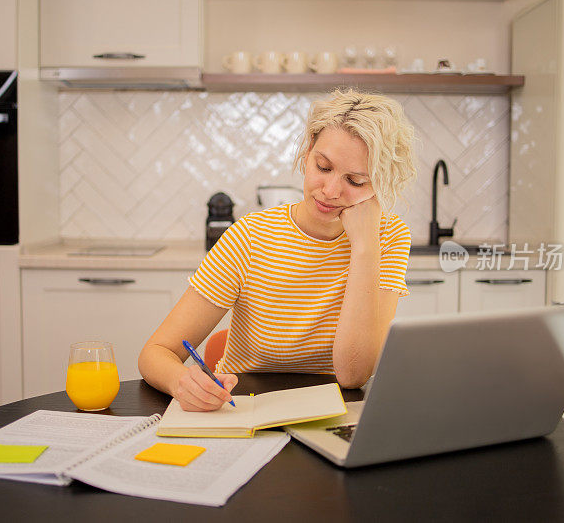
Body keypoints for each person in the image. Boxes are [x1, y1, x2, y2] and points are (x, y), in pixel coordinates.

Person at [138, 88, 416, 412]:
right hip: (242, 411)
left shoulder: (388, 236)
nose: (330, 191)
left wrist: (365, 246)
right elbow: (156, 352)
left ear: (380, 183)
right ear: (308, 151)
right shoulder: (251, 235)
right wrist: (181, 381)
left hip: (336, 414)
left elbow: (353, 375)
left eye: (355, 181)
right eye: (323, 167)